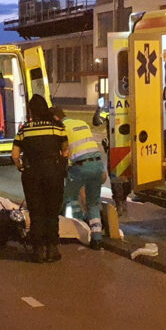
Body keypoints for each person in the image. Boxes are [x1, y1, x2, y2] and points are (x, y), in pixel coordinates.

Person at [12, 94, 68, 263]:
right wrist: (60, 166)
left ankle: (38, 251)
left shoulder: (24, 129)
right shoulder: (58, 127)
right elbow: (65, 150)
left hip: (32, 173)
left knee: (36, 212)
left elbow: (15, 155)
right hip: (53, 173)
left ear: (31, 111)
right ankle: (52, 249)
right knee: (52, 211)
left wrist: (20, 166)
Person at [51, 107, 105, 250]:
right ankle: (97, 238)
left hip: (80, 167)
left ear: (56, 118)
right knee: (92, 203)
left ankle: (72, 229)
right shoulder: (81, 122)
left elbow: (63, 152)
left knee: (67, 197)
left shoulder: (61, 128)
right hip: (98, 165)